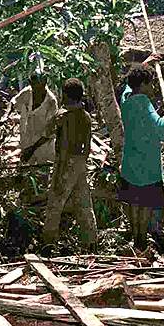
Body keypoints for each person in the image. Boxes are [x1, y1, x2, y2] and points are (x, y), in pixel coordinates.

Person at [22, 78, 96, 250]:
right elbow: (87, 146)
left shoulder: (61, 116)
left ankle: (48, 244)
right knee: (84, 203)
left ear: (66, 96)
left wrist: (30, 150)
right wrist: (81, 163)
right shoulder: (85, 117)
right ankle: (91, 242)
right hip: (79, 163)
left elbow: (47, 135)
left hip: (65, 162)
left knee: (55, 204)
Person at [118, 64, 164, 250]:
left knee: (134, 202)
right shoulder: (143, 101)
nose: (152, 89)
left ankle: (136, 237)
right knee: (145, 204)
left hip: (130, 162)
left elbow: (128, 85)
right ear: (143, 84)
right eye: (150, 84)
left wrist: (146, 62)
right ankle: (141, 242)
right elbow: (158, 129)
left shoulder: (126, 99)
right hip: (146, 165)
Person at [10, 71, 59, 165]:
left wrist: (31, 149)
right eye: (33, 86)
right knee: (25, 173)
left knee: (43, 173)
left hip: (44, 146)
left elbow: (49, 132)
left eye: (38, 87)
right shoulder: (28, 92)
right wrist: (6, 115)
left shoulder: (51, 102)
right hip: (27, 140)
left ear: (44, 82)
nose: (36, 90)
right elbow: (14, 101)